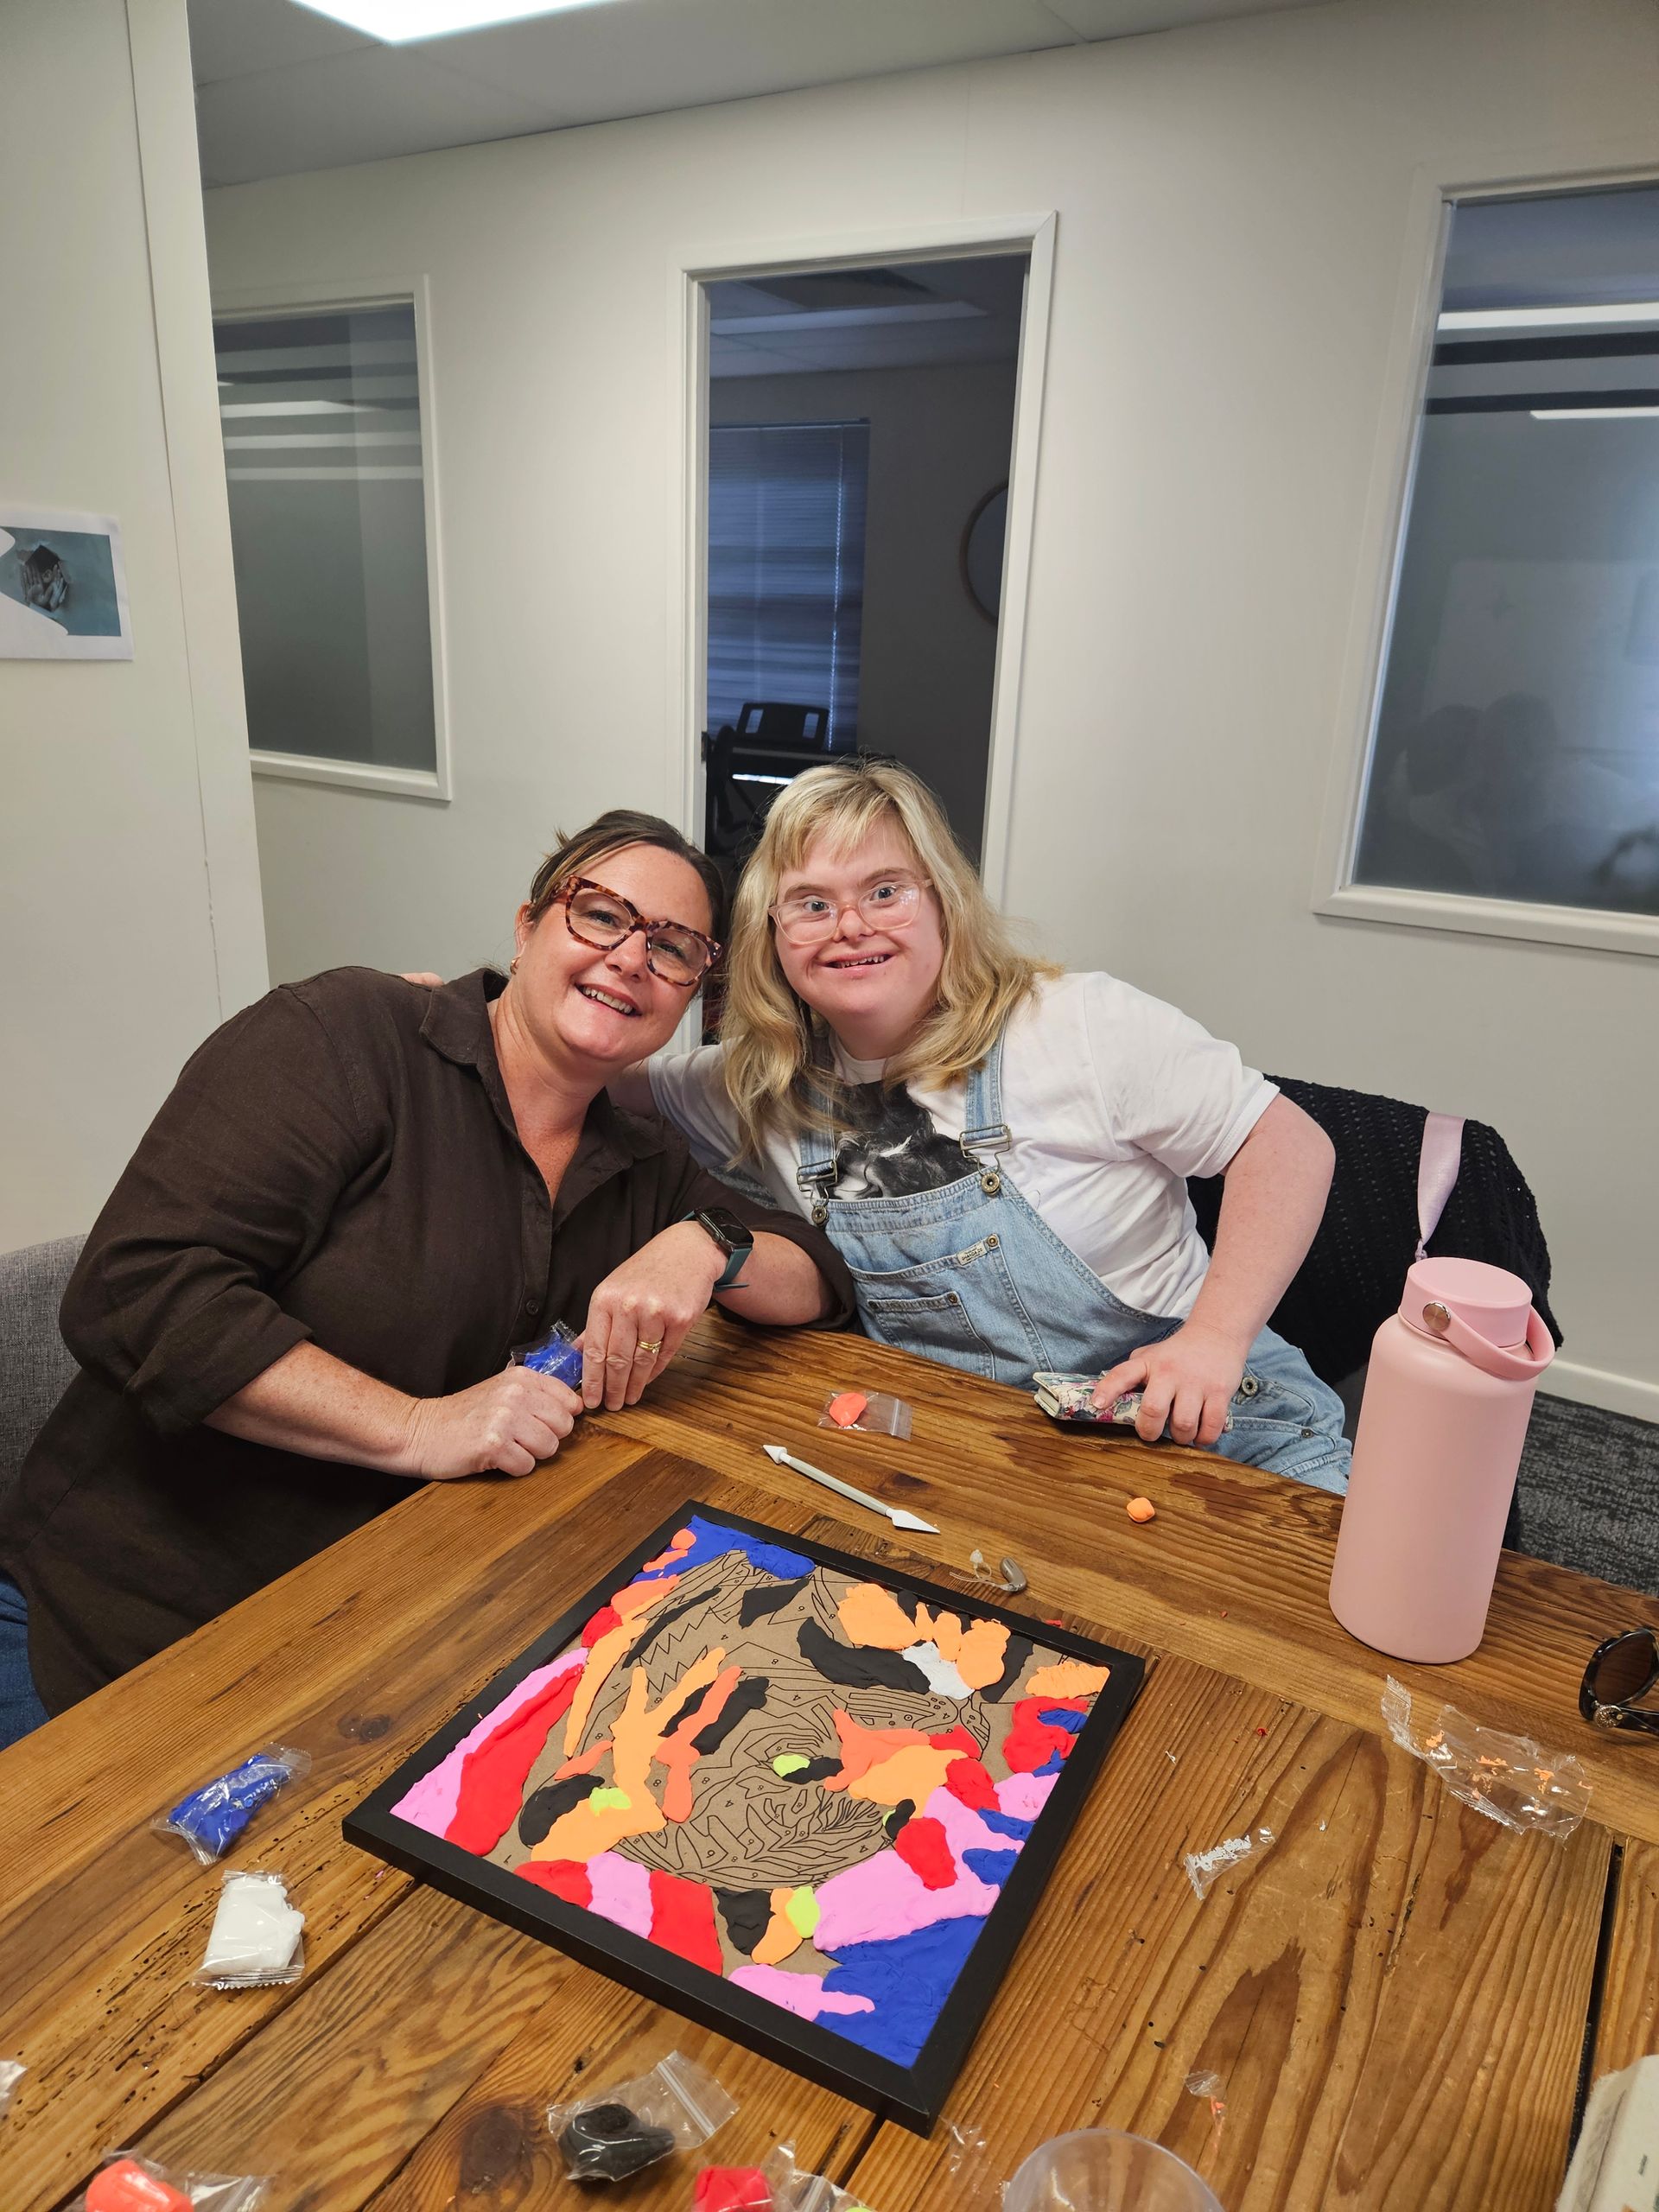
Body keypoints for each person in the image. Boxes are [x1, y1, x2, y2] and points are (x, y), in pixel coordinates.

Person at [0, 811, 853, 1746]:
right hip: (118, 1644)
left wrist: (708, 1242)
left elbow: (817, 1278)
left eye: (674, 947)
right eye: (602, 915)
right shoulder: (346, 1036)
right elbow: (135, 1291)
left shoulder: (641, 1157)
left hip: (373, 1647)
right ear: (527, 926)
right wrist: (418, 1426)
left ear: (691, 989)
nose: (630, 958)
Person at [616, 759, 1351, 1491]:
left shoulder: (1078, 1023)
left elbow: (1288, 1147)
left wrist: (1214, 1339)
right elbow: (598, 1073)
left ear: (944, 901)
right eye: (811, 904)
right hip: (989, 1464)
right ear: (771, 933)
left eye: (885, 891)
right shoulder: (757, 1085)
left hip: (1216, 1430)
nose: (851, 927)